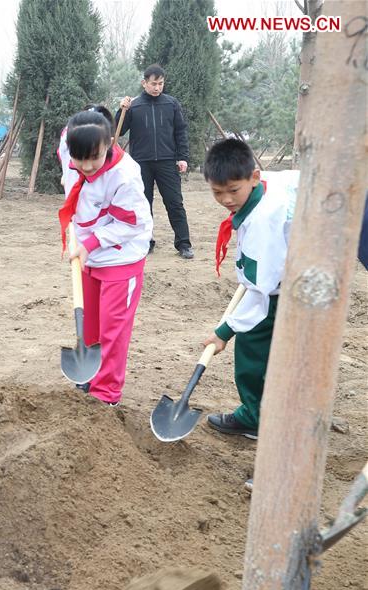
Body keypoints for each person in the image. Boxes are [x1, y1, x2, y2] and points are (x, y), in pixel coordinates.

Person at [201, 138, 298, 443]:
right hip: (294, 264)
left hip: (294, 282)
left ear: (254, 177)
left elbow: (260, 295)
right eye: (218, 192)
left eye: (233, 190)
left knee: (252, 344)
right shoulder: (266, 185)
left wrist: (225, 331)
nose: (227, 199)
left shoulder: (263, 223)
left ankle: (254, 417)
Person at [57, 107, 154, 405]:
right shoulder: (70, 149)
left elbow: (131, 223)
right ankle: (89, 374)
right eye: (79, 159)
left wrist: (91, 243)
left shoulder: (125, 177)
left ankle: (106, 391)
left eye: (94, 158)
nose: (85, 166)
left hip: (120, 258)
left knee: (113, 329)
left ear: (110, 144)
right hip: (88, 255)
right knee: (91, 326)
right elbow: (68, 138)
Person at [117, 64, 194, 259]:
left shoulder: (171, 104)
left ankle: (183, 243)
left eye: (160, 83)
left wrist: (182, 157)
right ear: (144, 83)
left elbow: (180, 132)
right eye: (153, 83)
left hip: (168, 162)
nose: (157, 87)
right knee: (143, 204)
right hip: (141, 163)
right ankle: (146, 242)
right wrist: (121, 111)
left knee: (175, 203)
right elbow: (117, 130)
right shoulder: (133, 105)